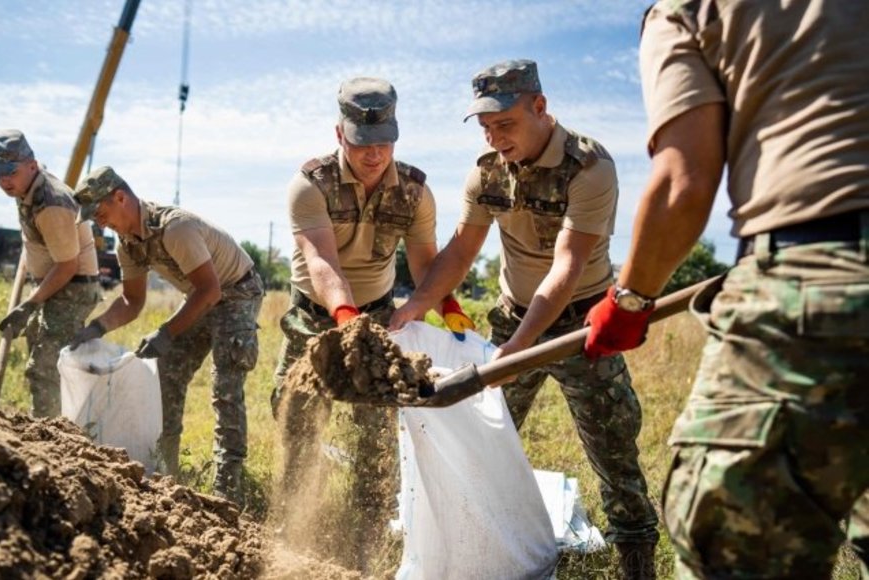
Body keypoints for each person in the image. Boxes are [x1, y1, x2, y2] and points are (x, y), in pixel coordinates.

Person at [583, 2, 869, 578]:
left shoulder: (687, 9)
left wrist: (630, 300)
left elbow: (683, 184)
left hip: (815, 287)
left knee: (735, 551)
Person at [390, 59, 659, 578]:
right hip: (513, 315)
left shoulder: (590, 167)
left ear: (540, 107)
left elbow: (568, 263)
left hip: (584, 322)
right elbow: (461, 251)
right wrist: (414, 307)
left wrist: (518, 348)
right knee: (479, 432)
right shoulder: (487, 172)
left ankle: (637, 551)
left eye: (505, 124)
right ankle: (480, 546)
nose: (495, 138)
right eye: (486, 128)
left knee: (612, 441)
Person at [272, 77, 469, 564]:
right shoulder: (310, 185)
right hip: (315, 314)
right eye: (363, 143)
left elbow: (426, 262)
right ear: (340, 134)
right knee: (295, 413)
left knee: (376, 428)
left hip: (379, 312)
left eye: (385, 142)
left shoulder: (415, 193)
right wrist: (344, 318)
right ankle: (292, 522)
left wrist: (445, 304)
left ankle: (369, 527)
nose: (375, 154)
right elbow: (322, 262)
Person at [69, 166, 263, 505]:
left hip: (236, 292)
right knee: (167, 373)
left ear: (120, 197)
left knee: (225, 387)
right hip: (202, 296)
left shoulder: (176, 228)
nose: (99, 222)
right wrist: (95, 328)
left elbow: (210, 289)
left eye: (100, 213)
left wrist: (165, 331)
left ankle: (229, 490)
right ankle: (167, 474)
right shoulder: (128, 246)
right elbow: (132, 301)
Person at [0, 129, 101, 417]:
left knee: (45, 367)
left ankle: (52, 437)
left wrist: (29, 304)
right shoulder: (26, 186)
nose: (4, 181)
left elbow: (67, 265)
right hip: (56, 283)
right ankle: (56, 422)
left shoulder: (51, 203)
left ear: (31, 165)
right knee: (41, 350)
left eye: (10, 172)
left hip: (72, 287)